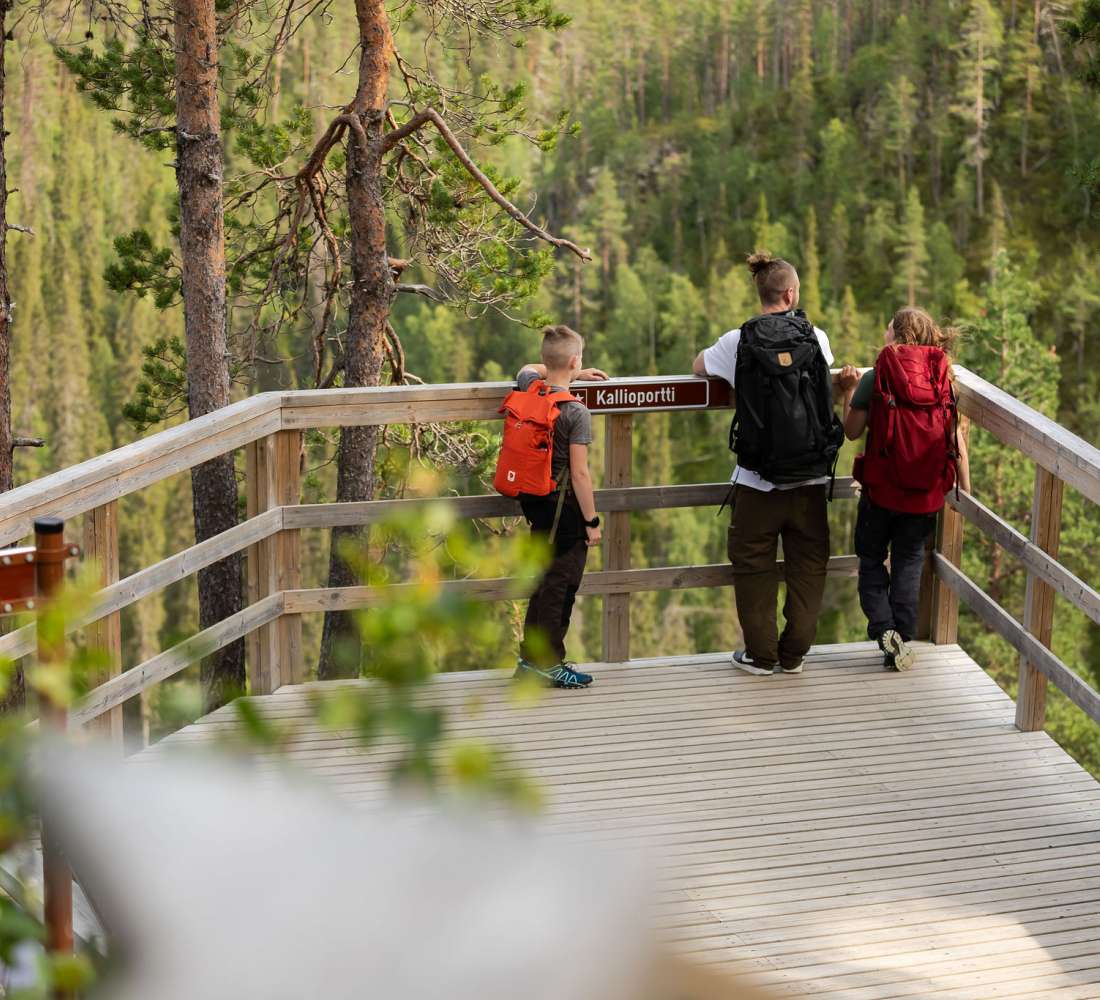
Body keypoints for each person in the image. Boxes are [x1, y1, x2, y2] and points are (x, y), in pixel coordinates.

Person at [692, 253, 842, 677]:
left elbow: (697, 367)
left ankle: (762, 656)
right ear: (791, 293)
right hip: (810, 477)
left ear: (761, 294)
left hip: (757, 480)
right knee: (809, 565)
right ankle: (793, 654)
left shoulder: (736, 341)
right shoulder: (817, 337)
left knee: (754, 566)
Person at [837, 307, 971, 671]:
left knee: (870, 560)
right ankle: (903, 633)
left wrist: (848, 391)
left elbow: (851, 431)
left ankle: (884, 630)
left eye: (887, 330)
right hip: (926, 493)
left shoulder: (877, 373)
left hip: (882, 491)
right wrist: (965, 492)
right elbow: (955, 435)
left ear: (897, 334)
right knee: (910, 560)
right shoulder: (943, 374)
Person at [512, 326, 608, 688]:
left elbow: (527, 368)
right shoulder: (575, 412)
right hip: (565, 511)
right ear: (575, 360)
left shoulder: (529, 388)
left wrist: (567, 372)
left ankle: (530, 660)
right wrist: (592, 521)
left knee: (543, 581)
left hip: (535, 502)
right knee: (560, 585)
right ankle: (550, 663)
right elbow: (581, 474)